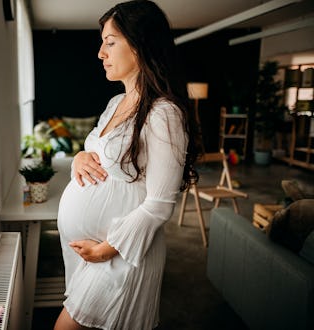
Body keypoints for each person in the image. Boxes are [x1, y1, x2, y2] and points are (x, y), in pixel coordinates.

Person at [54, 1, 200, 329]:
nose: (100, 54)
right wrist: (79, 157)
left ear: (139, 45)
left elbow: (160, 205)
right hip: (93, 253)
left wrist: (107, 249)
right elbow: (94, 148)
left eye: (110, 42)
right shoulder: (116, 102)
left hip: (122, 255)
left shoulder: (164, 113)